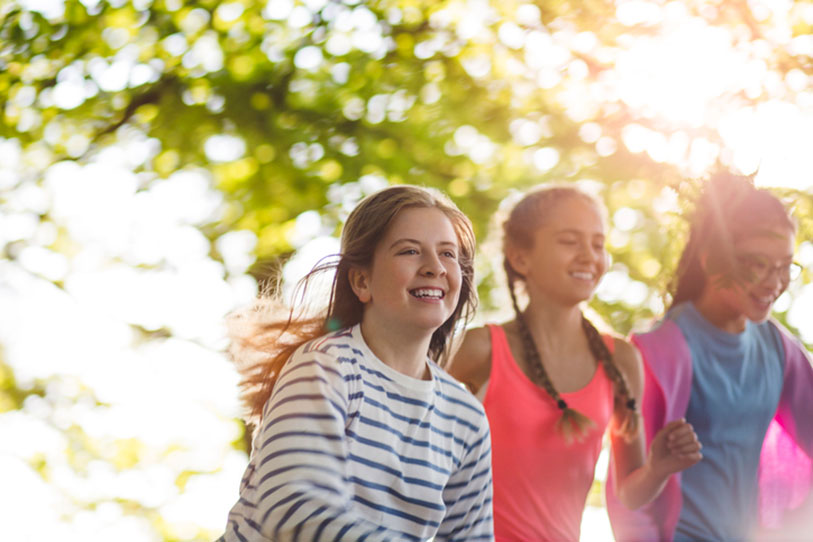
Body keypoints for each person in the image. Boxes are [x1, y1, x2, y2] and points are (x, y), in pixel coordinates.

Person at [219, 185, 494, 542]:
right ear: (362, 281)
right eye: (410, 251)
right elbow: (293, 510)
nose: (435, 267)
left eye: (448, 254)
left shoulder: (465, 417)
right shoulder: (326, 367)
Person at [448, 184, 701, 542]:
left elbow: (629, 492)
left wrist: (659, 468)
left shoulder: (621, 361)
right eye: (569, 241)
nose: (589, 256)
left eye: (598, 244)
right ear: (520, 258)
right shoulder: (480, 348)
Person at [606, 172, 813, 541]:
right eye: (758, 264)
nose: (774, 282)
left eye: (785, 266)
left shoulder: (780, 350)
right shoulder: (655, 352)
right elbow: (627, 496)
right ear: (710, 257)